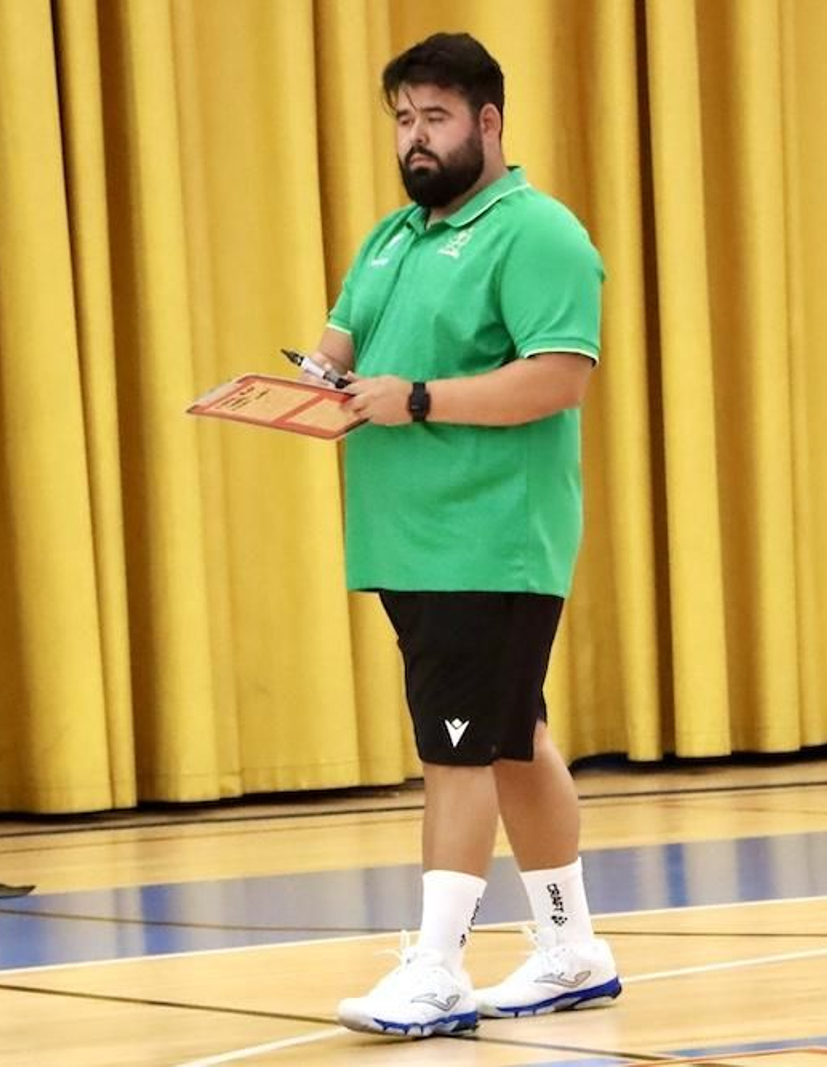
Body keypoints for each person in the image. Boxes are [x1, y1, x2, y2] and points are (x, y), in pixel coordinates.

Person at [302, 34, 619, 1037]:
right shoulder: (390, 238)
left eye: (434, 117)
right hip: (408, 536)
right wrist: (303, 389)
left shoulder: (536, 232)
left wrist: (418, 397)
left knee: (457, 748)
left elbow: (559, 375)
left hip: (489, 536)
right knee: (512, 738)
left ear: (488, 121)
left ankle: (438, 967)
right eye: (403, 119)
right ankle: (571, 947)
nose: (415, 137)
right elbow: (338, 350)